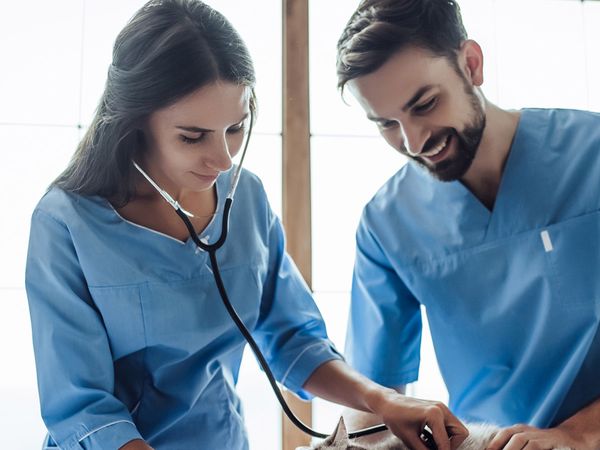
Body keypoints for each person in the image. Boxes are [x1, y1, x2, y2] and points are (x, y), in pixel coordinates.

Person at [25, 1, 469, 449]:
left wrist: (382, 401)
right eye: (192, 136)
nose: (223, 159)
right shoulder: (66, 224)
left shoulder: (247, 199)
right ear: (136, 123)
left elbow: (294, 340)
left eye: (235, 128)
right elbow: (82, 407)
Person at [336, 0, 600, 449]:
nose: (414, 141)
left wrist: (576, 436)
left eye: (425, 104)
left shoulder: (592, 158)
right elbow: (372, 404)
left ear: (471, 64)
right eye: (386, 124)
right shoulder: (387, 223)